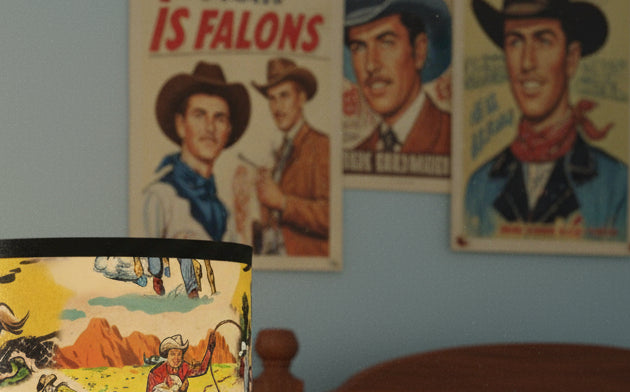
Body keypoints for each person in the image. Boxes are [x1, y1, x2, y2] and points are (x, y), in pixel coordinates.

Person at [464, 0, 627, 239]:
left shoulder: (616, 184)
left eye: (543, 40)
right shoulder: (479, 185)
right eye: (515, 42)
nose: (527, 62)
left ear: (571, 58)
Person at [143, 61, 250, 242]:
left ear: (228, 130)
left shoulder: (225, 214)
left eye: (219, 118)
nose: (210, 128)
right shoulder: (159, 198)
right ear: (181, 125)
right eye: (199, 115)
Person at [345, 0, 452, 159]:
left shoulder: (451, 136)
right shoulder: (359, 152)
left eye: (386, 42)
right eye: (359, 47)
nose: (371, 65)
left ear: (419, 50)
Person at [252, 58, 331, 257]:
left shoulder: (321, 146)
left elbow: (332, 216)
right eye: (272, 98)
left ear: (302, 98)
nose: (277, 107)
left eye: (284, 96)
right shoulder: (281, 152)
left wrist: (283, 202)